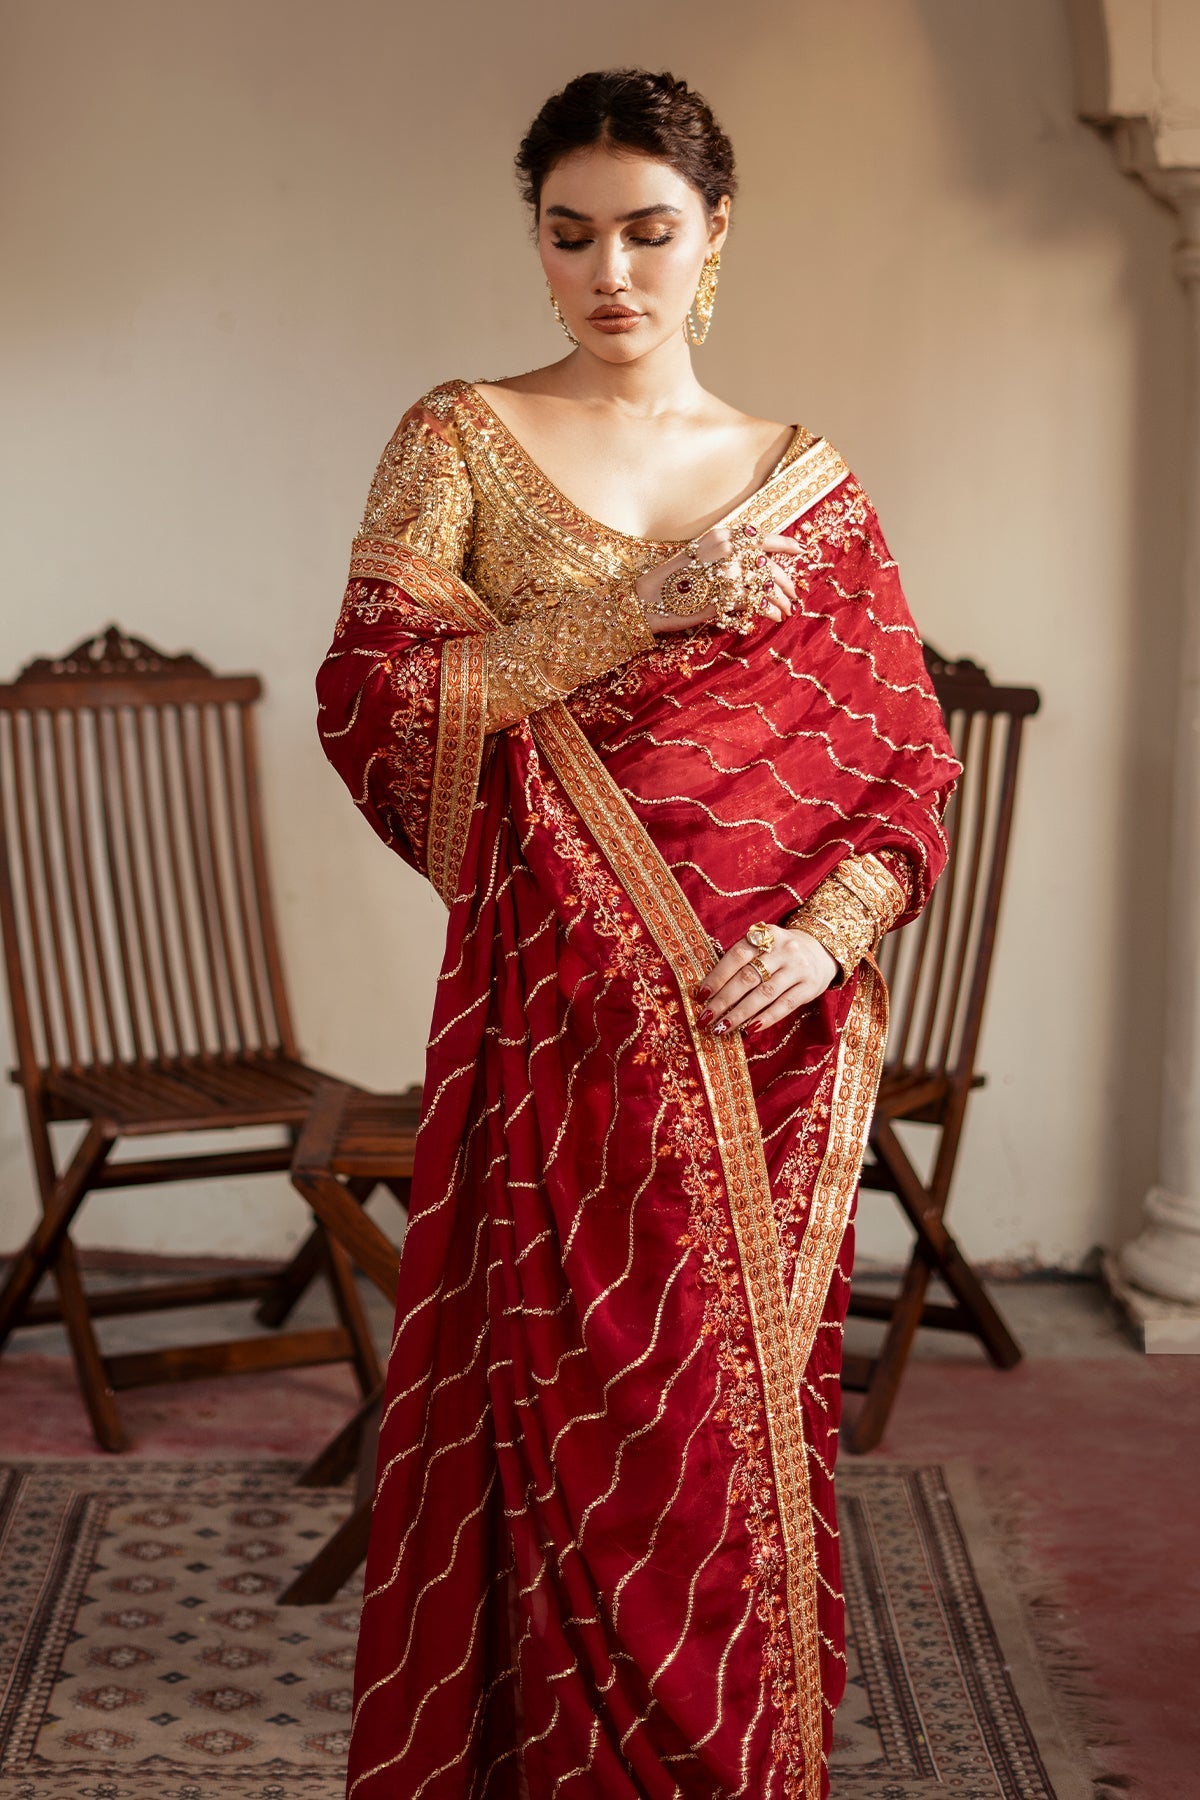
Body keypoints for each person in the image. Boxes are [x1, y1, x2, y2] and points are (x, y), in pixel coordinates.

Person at [317, 66, 958, 1800]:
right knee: (564, 1404)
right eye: (571, 233)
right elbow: (375, 701)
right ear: (534, 239)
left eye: (650, 232)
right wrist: (634, 612)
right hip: (558, 1018)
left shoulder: (807, 486)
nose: (611, 273)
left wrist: (830, 937)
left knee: (710, 1430)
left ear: (716, 233)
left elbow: (904, 766)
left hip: (761, 1041)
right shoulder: (459, 436)